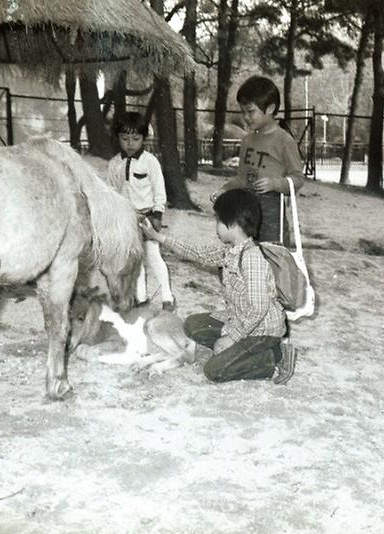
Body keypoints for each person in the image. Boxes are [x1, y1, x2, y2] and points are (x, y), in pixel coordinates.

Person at [139, 189, 296, 384]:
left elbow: (259, 309)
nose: (216, 226)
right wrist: (158, 237)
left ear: (233, 224)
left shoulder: (252, 259)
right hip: (241, 321)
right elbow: (197, 252)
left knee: (214, 371)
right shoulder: (231, 251)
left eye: (218, 221)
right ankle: (239, 351)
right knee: (192, 325)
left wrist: (232, 338)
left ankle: (275, 357)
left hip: (262, 332)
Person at [214, 76, 306, 245]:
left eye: (250, 111)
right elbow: (241, 178)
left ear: (270, 108)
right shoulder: (247, 140)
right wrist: (225, 189)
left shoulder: (284, 140)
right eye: (243, 112)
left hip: (271, 213)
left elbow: (298, 179)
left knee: (271, 258)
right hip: (245, 213)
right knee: (243, 257)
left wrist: (275, 184)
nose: (246, 117)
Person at [107, 112, 175, 311]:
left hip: (146, 216)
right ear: (118, 137)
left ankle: (167, 296)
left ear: (144, 138)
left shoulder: (150, 162)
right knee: (135, 261)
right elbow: (111, 192)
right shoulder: (114, 164)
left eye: (136, 139)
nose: (130, 144)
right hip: (126, 219)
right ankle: (142, 298)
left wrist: (157, 214)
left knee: (153, 256)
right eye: (124, 138)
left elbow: (159, 190)